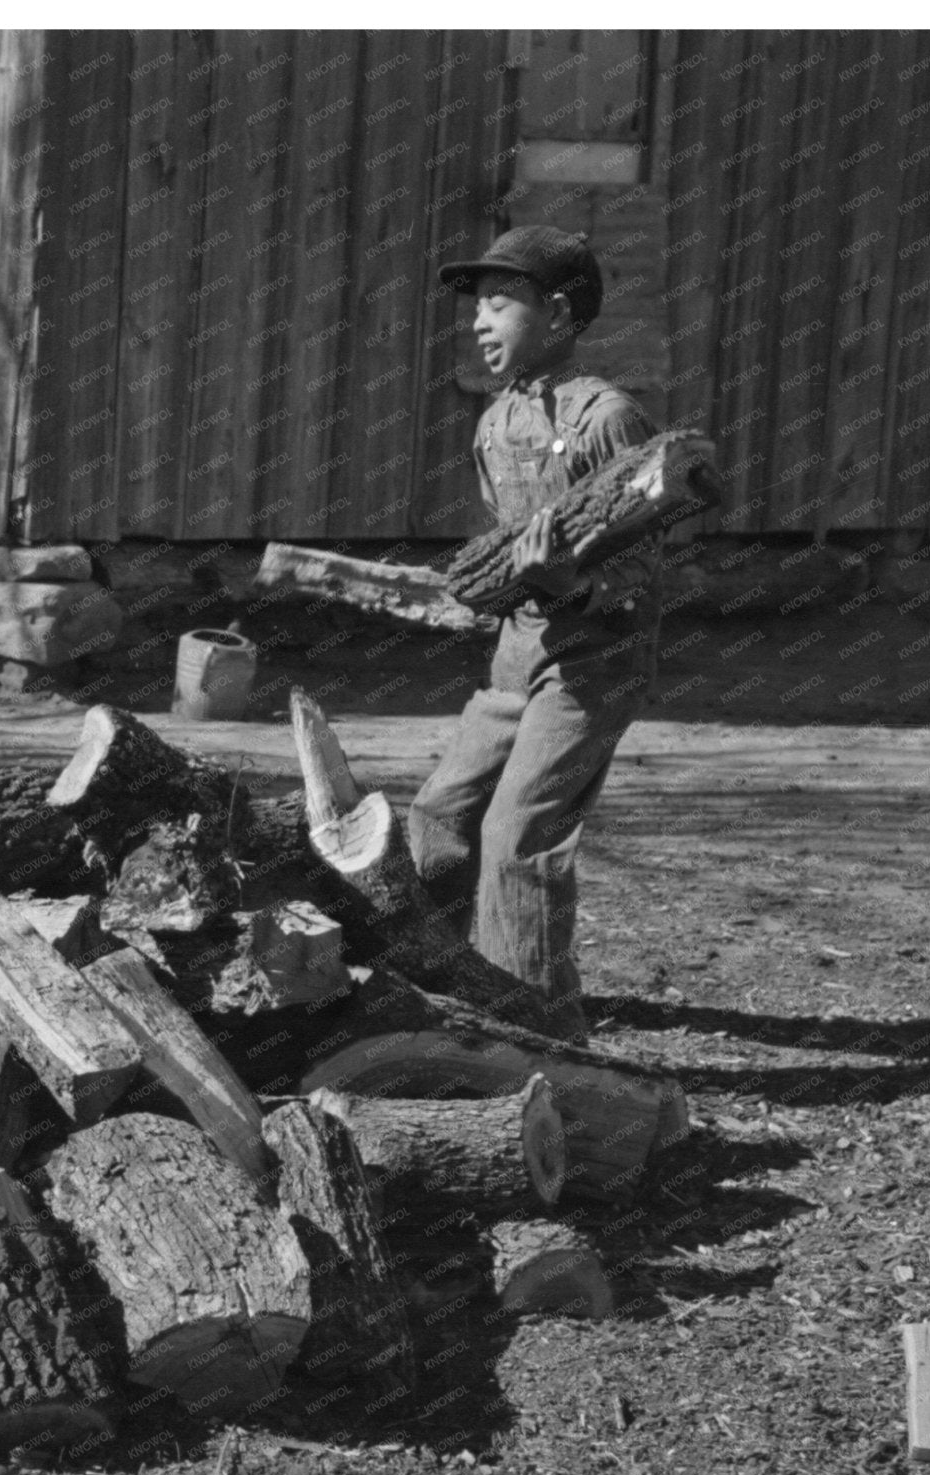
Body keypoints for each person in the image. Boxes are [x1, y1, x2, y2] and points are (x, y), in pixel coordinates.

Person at [409, 225, 664, 1041]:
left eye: (500, 304)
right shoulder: (496, 421)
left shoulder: (608, 419)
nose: (480, 323)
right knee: (441, 815)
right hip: (516, 656)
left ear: (557, 314)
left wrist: (574, 582)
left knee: (518, 838)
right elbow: (504, 547)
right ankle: (443, 988)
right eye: (475, 307)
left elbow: (644, 567)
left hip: (594, 659)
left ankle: (541, 1033)